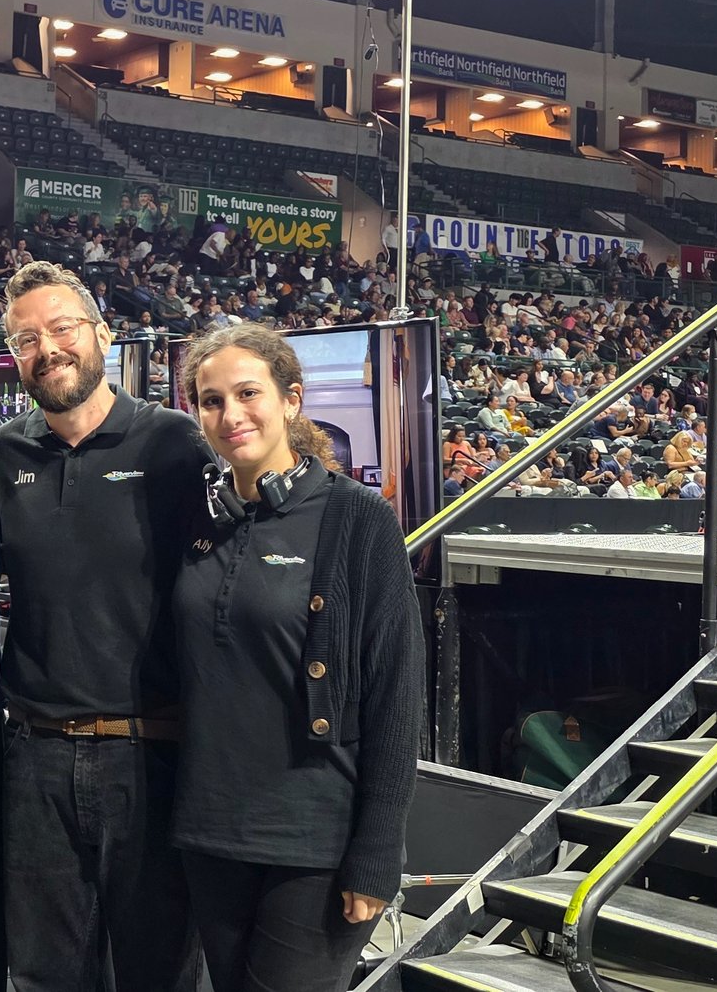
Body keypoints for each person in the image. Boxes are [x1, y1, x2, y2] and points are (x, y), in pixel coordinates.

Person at [174, 323, 423, 992]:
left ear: (291, 399)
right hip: (209, 832)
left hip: (314, 841)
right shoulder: (198, 519)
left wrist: (376, 854)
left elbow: (396, 696)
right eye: (210, 399)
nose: (231, 414)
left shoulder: (358, 518)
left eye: (247, 392)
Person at [0, 263, 212, 992]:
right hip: (36, 758)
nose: (46, 348)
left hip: (148, 756)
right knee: (44, 975)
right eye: (26, 338)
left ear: (103, 334)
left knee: (160, 973)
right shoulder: (7, 451)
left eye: (61, 328)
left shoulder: (174, 443)